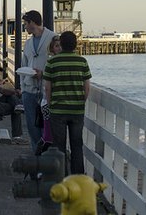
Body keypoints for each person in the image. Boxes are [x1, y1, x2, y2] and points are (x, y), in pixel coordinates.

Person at [44, 31, 92, 175]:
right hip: (77, 109)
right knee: (77, 144)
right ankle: (78, 177)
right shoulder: (82, 61)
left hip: (58, 110)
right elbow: (87, 86)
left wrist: (50, 103)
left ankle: (61, 176)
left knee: (59, 145)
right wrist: (82, 101)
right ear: (75, 45)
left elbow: (47, 87)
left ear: (62, 44)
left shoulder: (52, 62)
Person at [20, 10, 56, 153]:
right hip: (29, 90)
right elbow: (24, 63)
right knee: (31, 127)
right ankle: (37, 159)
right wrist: (22, 88)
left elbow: (57, 62)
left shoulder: (53, 38)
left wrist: (44, 74)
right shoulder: (28, 43)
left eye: (25, 24)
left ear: (32, 23)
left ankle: (47, 160)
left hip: (46, 91)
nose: (25, 27)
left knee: (46, 127)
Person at [36, 35, 61, 154]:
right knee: (48, 136)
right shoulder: (50, 62)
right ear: (52, 49)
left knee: (49, 135)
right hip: (48, 103)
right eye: (56, 46)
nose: (59, 48)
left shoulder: (53, 62)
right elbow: (47, 86)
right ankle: (41, 160)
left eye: (61, 45)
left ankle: (40, 158)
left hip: (50, 103)